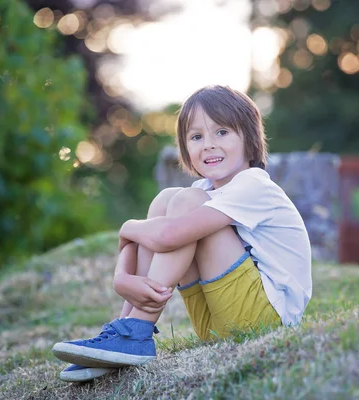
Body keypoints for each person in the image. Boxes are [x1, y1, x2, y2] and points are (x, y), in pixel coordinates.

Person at [52, 85, 312, 383]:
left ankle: (137, 330)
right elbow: (159, 234)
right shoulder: (203, 191)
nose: (208, 145)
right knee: (168, 199)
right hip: (215, 321)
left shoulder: (254, 185)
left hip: (264, 321)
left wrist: (127, 229)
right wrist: (122, 278)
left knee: (186, 204)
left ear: (250, 140)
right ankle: (127, 329)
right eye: (196, 136)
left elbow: (167, 237)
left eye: (222, 132)